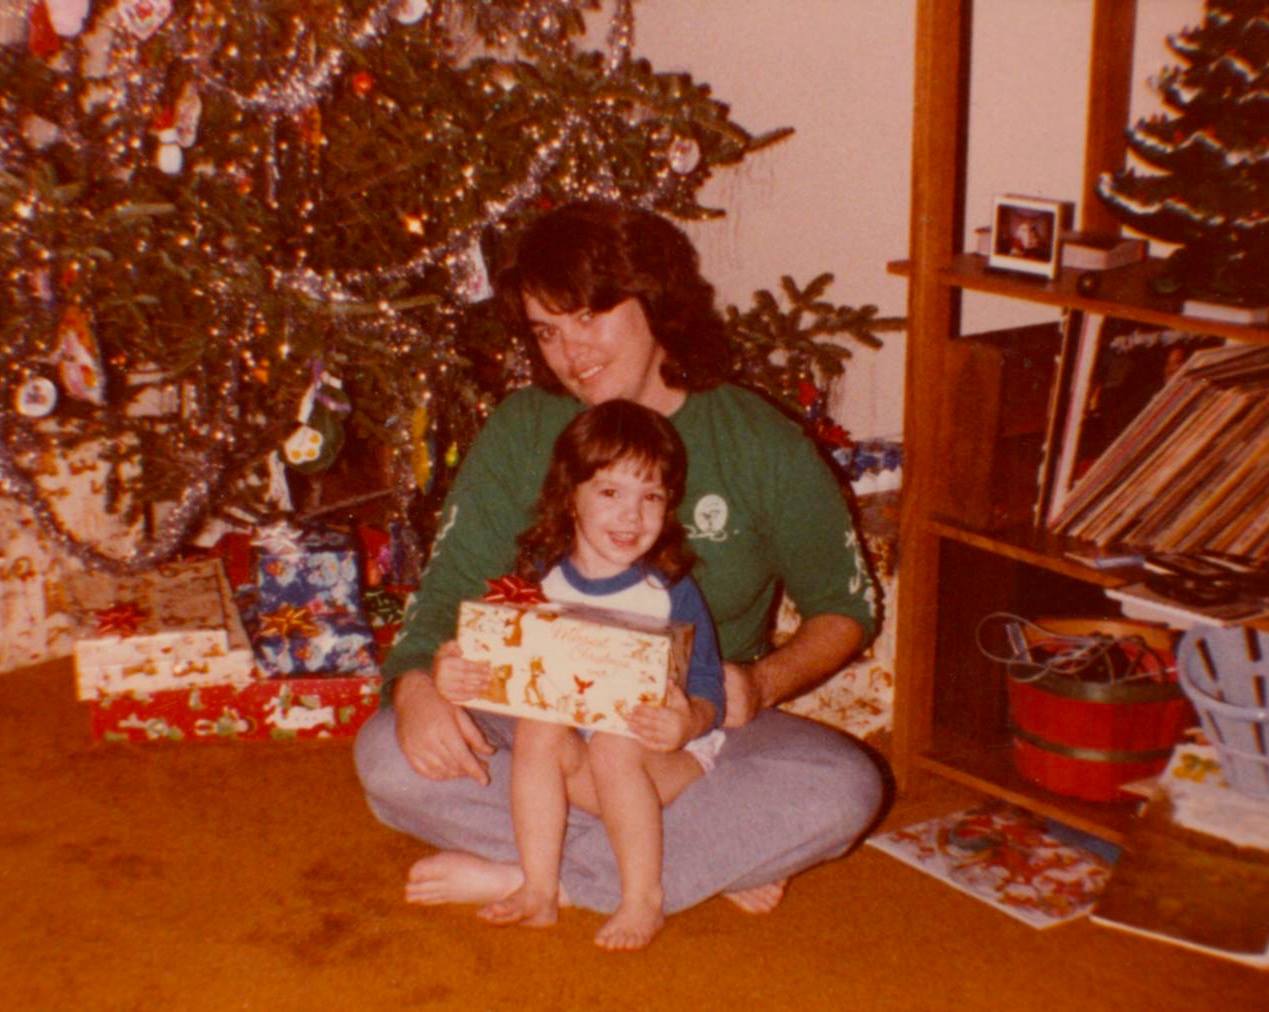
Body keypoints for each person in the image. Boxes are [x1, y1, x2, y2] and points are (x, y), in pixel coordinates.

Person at [355, 200, 883, 922]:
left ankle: (542, 878)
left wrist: (760, 684)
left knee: (844, 788)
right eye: (546, 331)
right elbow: (450, 588)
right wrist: (415, 688)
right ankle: (689, 857)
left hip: (690, 733)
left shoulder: (758, 439)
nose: (570, 355)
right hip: (538, 715)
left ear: (652, 303)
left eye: (587, 317)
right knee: (388, 756)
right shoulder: (522, 428)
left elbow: (844, 609)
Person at [434, 399, 725, 950]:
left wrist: (688, 723)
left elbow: (710, 686)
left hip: (662, 753)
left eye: (651, 498)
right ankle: (539, 888)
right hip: (580, 753)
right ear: (571, 497)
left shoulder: (669, 590)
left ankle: (643, 897)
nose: (631, 517)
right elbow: (488, 651)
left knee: (615, 744)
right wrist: (454, 669)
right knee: (538, 730)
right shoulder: (538, 585)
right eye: (610, 492)